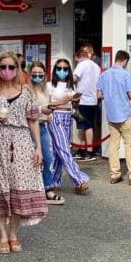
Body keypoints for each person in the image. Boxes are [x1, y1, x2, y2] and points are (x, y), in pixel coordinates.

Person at [0, 52, 47, 253]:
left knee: (19, 189)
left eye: (11, 67)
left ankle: (14, 233)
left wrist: (38, 148)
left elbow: (33, 120)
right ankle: (3, 236)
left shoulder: (26, 92)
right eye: (3, 67)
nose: (7, 71)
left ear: (18, 69)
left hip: (22, 142)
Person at [99, 50, 131, 186]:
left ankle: (115, 174)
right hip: (124, 114)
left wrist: (110, 95)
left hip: (111, 115)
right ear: (125, 61)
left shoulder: (104, 75)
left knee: (114, 145)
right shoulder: (125, 74)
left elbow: (99, 95)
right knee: (129, 144)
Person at [44, 58, 90, 195]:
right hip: (55, 116)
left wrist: (75, 101)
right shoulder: (49, 85)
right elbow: (47, 105)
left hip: (68, 117)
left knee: (58, 151)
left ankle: (54, 181)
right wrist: (61, 101)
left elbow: (73, 105)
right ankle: (79, 179)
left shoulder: (71, 86)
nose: (62, 71)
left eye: (65, 68)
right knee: (64, 148)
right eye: (59, 68)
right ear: (55, 69)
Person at [28, 61, 64, 205]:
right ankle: (31, 190)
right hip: (29, 128)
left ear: (45, 75)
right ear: (30, 75)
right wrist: (42, 109)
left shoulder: (45, 89)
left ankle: (47, 188)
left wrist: (49, 114)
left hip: (43, 126)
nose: (37, 76)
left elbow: (47, 106)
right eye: (34, 74)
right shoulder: (26, 89)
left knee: (48, 158)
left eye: (40, 74)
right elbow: (29, 109)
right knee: (32, 160)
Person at [73, 46, 102, 160]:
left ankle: (89, 151)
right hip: (93, 100)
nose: (76, 62)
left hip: (83, 99)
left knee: (86, 125)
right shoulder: (97, 67)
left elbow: (74, 78)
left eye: (76, 60)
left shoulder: (82, 64)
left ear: (80, 57)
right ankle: (83, 149)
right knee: (85, 125)